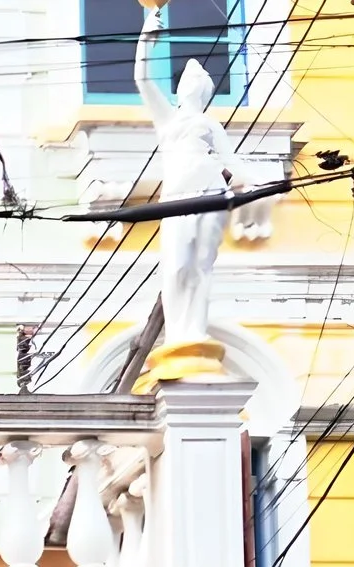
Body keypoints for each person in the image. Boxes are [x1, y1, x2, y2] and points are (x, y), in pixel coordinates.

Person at [135, 4, 238, 356]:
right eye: (187, 80)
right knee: (177, 264)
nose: (192, 82)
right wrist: (147, 35)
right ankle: (180, 333)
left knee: (201, 265)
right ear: (179, 90)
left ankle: (192, 331)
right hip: (178, 200)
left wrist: (260, 183)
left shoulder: (211, 125)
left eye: (199, 82)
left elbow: (232, 161)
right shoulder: (169, 120)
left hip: (212, 193)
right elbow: (142, 79)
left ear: (207, 93)